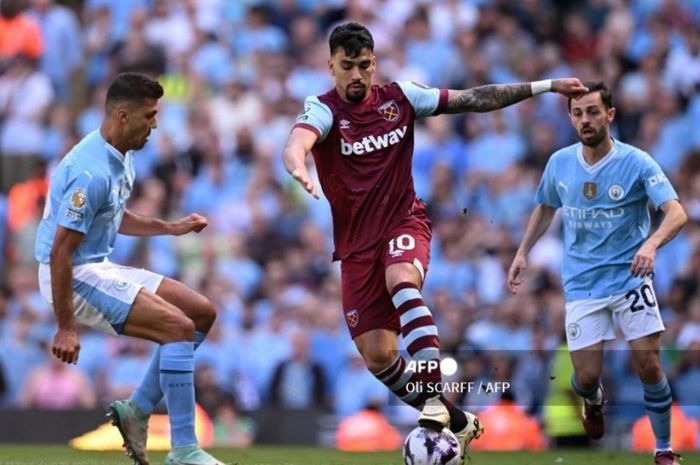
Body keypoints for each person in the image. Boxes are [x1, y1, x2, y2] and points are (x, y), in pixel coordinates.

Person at [281, 21, 587, 458]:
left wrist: (547, 85)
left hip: (404, 222)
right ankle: (458, 421)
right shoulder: (323, 108)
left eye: (364, 66)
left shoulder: (401, 98)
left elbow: (476, 99)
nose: (356, 76)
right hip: (355, 247)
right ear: (331, 65)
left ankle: (431, 403)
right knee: (378, 357)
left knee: (401, 279)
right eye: (347, 66)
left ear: (374, 64)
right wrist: (298, 164)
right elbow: (297, 142)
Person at [34, 72, 224, 465]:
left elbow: (113, 216)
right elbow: (60, 253)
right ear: (123, 116)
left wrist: (170, 228)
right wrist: (66, 326)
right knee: (178, 328)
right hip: (71, 277)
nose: (155, 125)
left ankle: (136, 410)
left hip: (95, 266)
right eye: (150, 116)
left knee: (202, 312)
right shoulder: (92, 172)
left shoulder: (121, 156)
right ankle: (184, 450)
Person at [507, 81, 687, 465]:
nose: (585, 120)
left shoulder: (637, 162)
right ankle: (593, 400)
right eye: (577, 113)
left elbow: (677, 212)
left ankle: (664, 449)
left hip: (629, 280)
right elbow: (544, 207)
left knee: (649, 364)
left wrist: (650, 244)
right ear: (570, 119)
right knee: (586, 377)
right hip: (583, 285)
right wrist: (523, 252)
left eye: (592, 111)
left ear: (610, 115)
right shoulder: (559, 162)